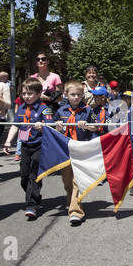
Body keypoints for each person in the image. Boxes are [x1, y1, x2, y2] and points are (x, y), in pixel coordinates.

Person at [3, 78, 54, 218]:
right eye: (24, 93)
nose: (26, 96)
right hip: (25, 145)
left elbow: (51, 128)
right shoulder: (21, 108)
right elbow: (15, 125)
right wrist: (8, 141)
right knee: (24, 177)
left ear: (38, 94)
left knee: (33, 176)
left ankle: (31, 205)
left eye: (30, 93)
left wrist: (42, 127)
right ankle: (35, 196)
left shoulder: (44, 109)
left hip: (39, 145)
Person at [54, 79, 93, 224]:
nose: (76, 97)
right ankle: (72, 201)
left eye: (78, 94)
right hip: (65, 149)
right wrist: (57, 127)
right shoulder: (61, 111)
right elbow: (54, 130)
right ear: (66, 95)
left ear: (83, 95)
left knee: (77, 181)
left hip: (81, 149)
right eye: (72, 95)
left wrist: (87, 126)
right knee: (67, 182)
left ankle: (76, 211)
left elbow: (96, 127)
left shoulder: (87, 110)